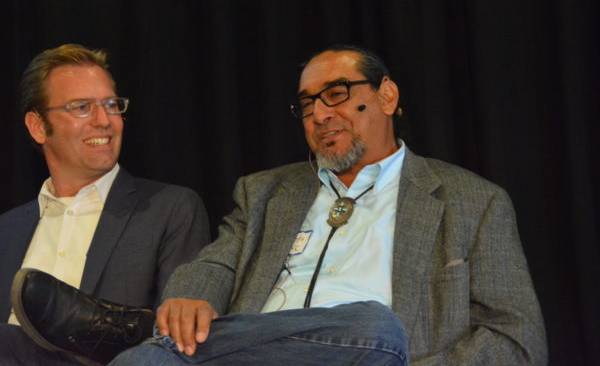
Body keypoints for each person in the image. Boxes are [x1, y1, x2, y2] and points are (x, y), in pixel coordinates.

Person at [14, 45, 548, 365]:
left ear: (386, 96)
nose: (319, 114)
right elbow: (212, 266)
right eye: (308, 104)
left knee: (378, 326)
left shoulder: (470, 202)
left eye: (337, 93)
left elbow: (517, 340)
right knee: (144, 360)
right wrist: (185, 299)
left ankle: (139, 333)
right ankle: (150, 340)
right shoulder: (267, 191)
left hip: (372, 353)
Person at [0, 44, 211, 365]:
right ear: (38, 126)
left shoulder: (170, 208)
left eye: (112, 105)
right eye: (82, 107)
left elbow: (178, 339)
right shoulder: (6, 231)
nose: (104, 120)